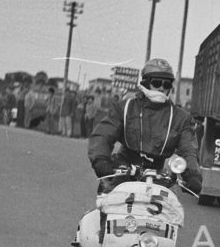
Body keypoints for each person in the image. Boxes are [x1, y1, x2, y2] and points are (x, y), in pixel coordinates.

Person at [86, 57, 202, 194]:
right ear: (146, 83)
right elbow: (103, 134)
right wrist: (101, 160)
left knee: (170, 212)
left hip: (158, 175)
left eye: (167, 84)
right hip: (122, 168)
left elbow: (188, 150)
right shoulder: (125, 108)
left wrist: (193, 175)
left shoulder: (181, 118)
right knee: (108, 206)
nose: (161, 88)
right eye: (157, 82)